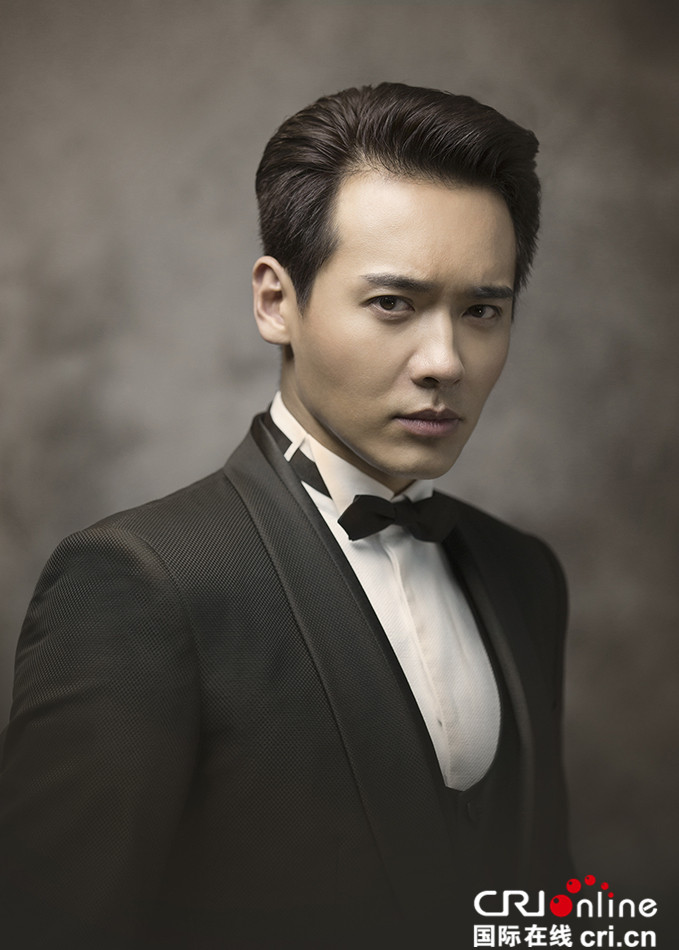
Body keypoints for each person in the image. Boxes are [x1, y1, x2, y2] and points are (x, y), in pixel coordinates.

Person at [0, 83, 572, 948]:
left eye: (481, 310)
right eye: (392, 303)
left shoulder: (524, 574)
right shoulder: (141, 581)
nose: (445, 361)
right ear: (275, 301)